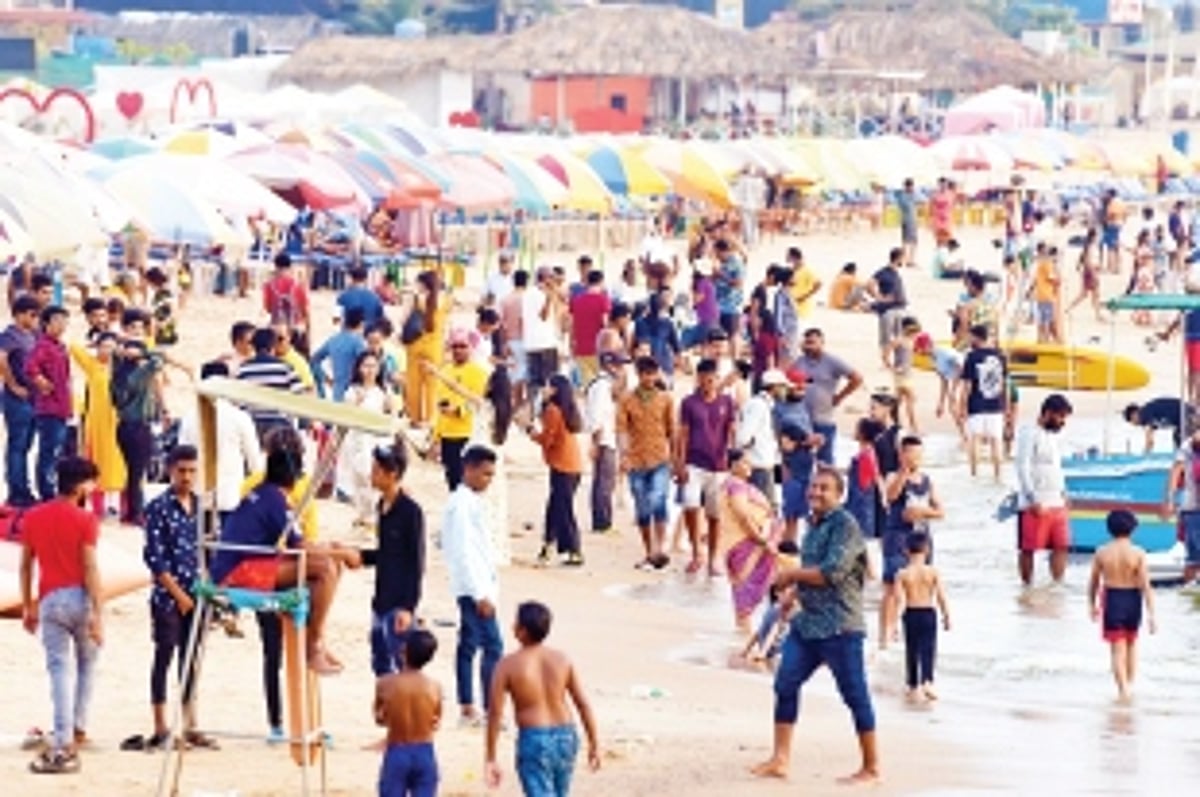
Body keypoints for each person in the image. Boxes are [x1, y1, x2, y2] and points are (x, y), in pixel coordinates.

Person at [753, 467, 877, 784]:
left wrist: (791, 576)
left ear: (839, 495)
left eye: (824, 488)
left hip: (841, 626)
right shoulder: (812, 526)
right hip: (807, 625)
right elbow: (812, 571)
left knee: (855, 696)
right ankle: (780, 759)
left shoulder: (846, 525)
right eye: (813, 487)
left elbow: (831, 573)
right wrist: (792, 594)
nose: (816, 492)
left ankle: (872, 767)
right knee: (785, 684)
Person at [211, 447, 359, 676]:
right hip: (238, 573)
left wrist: (335, 550)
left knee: (331, 559)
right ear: (294, 478)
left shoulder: (264, 493)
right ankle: (313, 645)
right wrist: (342, 553)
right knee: (326, 567)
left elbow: (293, 544)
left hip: (248, 562)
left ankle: (318, 640)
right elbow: (300, 546)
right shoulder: (275, 500)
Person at [19, 457, 103, 775]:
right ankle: (78, 728)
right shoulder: (86, 520)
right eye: (91, 483)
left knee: (58, 669)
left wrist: (28, 606)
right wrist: (99, 613)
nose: (93, 489)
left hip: (50, 599)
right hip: (79, 596)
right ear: (81, 485)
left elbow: (27, 564)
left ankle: (63, 735)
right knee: (87, 664)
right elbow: (90, 567)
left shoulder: (34, 516)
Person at [140, 445, 216, 750]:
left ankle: (190, 722)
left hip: (196, 593)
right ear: (170, 470)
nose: (187, 477)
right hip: (168, 596)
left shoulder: (200, 507)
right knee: (164, 656)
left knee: (190, 660)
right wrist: (179, 595)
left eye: (191, 471)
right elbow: (155, 559)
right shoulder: (158, 507)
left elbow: (208, 551)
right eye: (181, 470)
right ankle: (160, 725)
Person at [485, 601, 600, 796]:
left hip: (534, 738)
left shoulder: (507, 665)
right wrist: (594, 743)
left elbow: (495, 713)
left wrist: (490, 756)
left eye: (516, 622)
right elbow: (583, 704)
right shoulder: (562, 659)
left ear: (522, 631)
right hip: (566, 734)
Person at [441, 445, 503, 725]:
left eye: (491, 475)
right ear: (469, 469)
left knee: (468, 645)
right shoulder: (462, 505)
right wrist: (480, 593)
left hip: (475, 585)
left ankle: (468, 706)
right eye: (485, 474)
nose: (488, 480)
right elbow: (463, 551)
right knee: (493, 646)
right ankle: (488, 708)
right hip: (473, 589)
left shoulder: (467, 502)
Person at [361, 444, 426, 677]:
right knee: (380, 664)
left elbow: (417, 562)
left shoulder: (411, 512)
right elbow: (385, 553)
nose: (372, 475)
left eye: (377, 470)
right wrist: (358, 556)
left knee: (403, 665)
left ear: (393, 474)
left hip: (399, 603)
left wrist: (409, 607)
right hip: (381, 598)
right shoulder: (382, 507)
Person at [177, 361, 263, 520]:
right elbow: (255, 464)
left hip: (198, 497)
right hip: (232, 498)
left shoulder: (189, 418)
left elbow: (181, 459)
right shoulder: (240, 417)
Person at [676, 358, 737, 576]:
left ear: (716, 378)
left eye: (711, 379)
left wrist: (734, 460)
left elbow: (731, 431)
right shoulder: (689, 403)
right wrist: (679, 463)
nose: (707, 383)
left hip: (718, 465)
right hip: (694, 461)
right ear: (698, 379)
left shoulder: (727, 402)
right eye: (703, 379)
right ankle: (696, 553)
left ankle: (713, 558)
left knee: (715, 514)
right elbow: (683, 434)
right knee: (691, 505)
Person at [1087, 510, 1157, 702]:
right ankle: (1130, 687)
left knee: (1117, 648)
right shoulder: (1138, 553)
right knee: (1132, 644)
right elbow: (1146, 586)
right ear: (1133, 529)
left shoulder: (1102, 552)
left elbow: (1093, 582)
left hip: (1112, 598)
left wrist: (1091, 605)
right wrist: (1152, 614)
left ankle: (1123, 690)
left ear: (1109, 529)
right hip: (1133, 599)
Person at [880, 436, 942, 647]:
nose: (915, 459)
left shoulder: (927, 480)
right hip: (897, 536)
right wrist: (903, 474)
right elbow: (890, 496)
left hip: (921, 539)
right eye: (911, 454)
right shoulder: (892, 476)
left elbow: (941, 511)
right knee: (891, 588)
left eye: (918, 454)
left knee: (920, 587)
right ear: (901, 454)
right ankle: (885, 637)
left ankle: (914, 637)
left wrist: (924, 512)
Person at [618, 356, 675, 570]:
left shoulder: (666, 399)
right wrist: (624, 455)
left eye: (652, 374)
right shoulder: (627, 400)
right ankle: (649, 550)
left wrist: (677, 459)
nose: (649, 378)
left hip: (660, 458)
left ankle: (659, 549)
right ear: (638, 374)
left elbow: (673, 431)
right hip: (636, 460)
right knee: (642, 508)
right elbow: (622, 430)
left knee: (658, 500)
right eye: (645, 374)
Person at [526, 374, 585, 567]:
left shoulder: (552, 410)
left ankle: (573, 549)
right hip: (573, 464)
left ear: (555, 390)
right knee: (557, 506)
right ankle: (549, 546)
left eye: (548, 387)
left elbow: (547, 440)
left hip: (562, 465)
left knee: (562, 509)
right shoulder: (568, 410)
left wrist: (531, 433)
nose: (545, 390)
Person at [1015, 393, 1073, 586]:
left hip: (1056, 500)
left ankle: (1057, 585)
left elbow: (1057, 467)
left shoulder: (1054, 437)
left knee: (1061, 546)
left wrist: (1064, 493)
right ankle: (1027, 585)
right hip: (1035, 501)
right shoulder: (1028, 433)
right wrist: (1032, 499)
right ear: (1047, 413)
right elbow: (1022, 467)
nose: (1062, 422)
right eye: (1060, 417)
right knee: (1029, 548)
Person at [722, 449, 783, 632]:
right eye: (745, 462)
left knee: (745, 586)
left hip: (747, 541)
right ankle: (744, 629)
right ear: (734, 465)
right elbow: (743, 515)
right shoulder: (736, 486)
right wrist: (761, 539)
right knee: (746, 584)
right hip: (746, 541)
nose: (750, 466)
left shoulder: (735, 485)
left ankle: (742, 629)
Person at [375, 630, 442, 797]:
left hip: (397, 748)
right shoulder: (435, 686)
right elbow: (435, 721)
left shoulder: (385, 683)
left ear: (404, 651)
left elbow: (379, 719)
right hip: (425, 750)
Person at [70, 332, 126, 516]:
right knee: (95, 464)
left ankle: (121, 507)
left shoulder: (122, 369)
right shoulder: (93, 366)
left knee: (118, 465)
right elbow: (74, 348)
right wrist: (92, 344)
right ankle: (97, 507)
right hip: (96, 425)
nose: (108, 350)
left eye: (112, 347)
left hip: (117, 424)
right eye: (104, 346)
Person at [110, 339, 165, 525]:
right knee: (137, 473)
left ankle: (130, 511)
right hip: (139, 427)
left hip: (123, 426)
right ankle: (136, 512)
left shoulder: (117, 374)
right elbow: (159, 359)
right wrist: (145, 354)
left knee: (131, 472)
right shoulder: (139, 374)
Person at [428, 329, 490, 491]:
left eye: (463, 346)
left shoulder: (479, 374)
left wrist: (458, 411)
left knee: (469, 483)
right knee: (453, 481)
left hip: (468, 434)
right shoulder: (445, 371)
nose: (458, 350)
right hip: (447, 435)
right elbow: (439, 407)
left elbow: (479, 403)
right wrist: (436, 438)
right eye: (454, 346)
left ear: (471, 348)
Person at [340, 351, 396, 530]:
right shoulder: (353, 391)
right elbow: (346, 415)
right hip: (358, 439)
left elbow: (391, 415)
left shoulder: (383, 391)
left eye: (373, 366)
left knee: (374, 477)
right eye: (366, 366)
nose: (370, 370)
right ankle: (364, 514)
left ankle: (373, 515)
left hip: (377, 440)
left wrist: (391, 407)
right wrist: (357, 402)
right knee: (359, 478)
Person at [895, 533, 950, 702]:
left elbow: (900, 601)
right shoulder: (932, 572)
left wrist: (896, 623)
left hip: (911, 613)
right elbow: (941, 596)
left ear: (906, 551)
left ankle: (913, 685)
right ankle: (928, 681)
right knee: (929, 648)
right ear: (927, 550)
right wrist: (947, 615)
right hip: (928, 612)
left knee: (911, 650)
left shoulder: (902, 574)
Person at [794, 328, 861, 465]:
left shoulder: (832, 361)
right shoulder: (800, 361)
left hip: (823, 419)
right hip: (803, 419)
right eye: (806, 342)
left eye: (812, 342)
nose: (809, 346)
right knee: (801, 459)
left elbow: (857, 378)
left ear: (822, 342)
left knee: (824, 460)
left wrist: (840, 397)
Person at [26, 305, 72, 501]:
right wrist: (43, 384)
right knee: (48, 452)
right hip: (49, 408)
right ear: (46, 324)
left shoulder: (60, 346)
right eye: (57, 321)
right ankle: (46, 493)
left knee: (55, 452)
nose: (61, 325)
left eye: (64, 321)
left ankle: (51, 490)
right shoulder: (42, 345)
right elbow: (30, 367)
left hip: (62, 407)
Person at [0, 294, 41, 506]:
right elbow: (1, 357)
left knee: (25, 445)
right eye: (32, 315)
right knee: (17, 445)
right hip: (17, 398)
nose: (36, 319)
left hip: (33, 397)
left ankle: (24, 488)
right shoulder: (10, 335)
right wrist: (13, 384)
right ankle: (16, 491)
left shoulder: (32, 334)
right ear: (20, 314)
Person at [958, 324, 1007, 481]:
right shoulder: (1000, 356)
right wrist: (1005, 405)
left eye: (971, 336)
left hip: (977, 403)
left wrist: (962, 406)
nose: (969, 339)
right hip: (996, 403)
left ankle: (974, 474)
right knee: (996, 441)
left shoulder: (972, 356)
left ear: (976, 338)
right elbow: (1004, 382)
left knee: (975, 439)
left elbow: (967, 385)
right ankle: (998, 475)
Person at [585, 351, 625, 534]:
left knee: (603, 481)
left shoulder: (605, 386)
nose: (622, 369)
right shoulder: (601, 387)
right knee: (604, 481)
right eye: (619, 365)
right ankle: (602, 522)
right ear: (609, 366)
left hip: (606, 438)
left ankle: (602, 520)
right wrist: (596, 442)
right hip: (603, 439)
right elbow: (597, 417)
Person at [736, 369, 789, 502]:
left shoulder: (764, 404)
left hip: (764, 468)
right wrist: (756, 444)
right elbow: (743, 438)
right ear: (774, 387)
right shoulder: (758, 405)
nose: (785, 391)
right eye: (783, 387)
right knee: (762, 513)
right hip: (758, 469)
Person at [403, 271, 448, 426]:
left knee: (414, 383)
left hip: (415, 346)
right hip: (435, 347)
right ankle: (430, 418)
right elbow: (446, 326)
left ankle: (414, 417)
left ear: (423, 284)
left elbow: (404, 319)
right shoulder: (446, 300)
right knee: (432, 385)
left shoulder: (416, 299)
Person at [523, 267, 564, 402]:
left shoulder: (529, 293)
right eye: (551, 278)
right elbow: (543, 316)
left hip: (532, 344)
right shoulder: (540, 294)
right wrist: (549, 298)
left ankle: (533, 410)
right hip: (545, 344)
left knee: (534, 381)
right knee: (549, 381)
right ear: (545, 278)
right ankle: (543, 410)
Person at [312, 307, 368, 402]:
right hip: (354, 390)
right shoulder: (359, 342)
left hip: (337, 390)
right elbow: (364, 363)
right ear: (361, 324)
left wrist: (325, 378)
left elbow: (314, 361)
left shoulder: (333, 340)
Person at [867, 248, 909, 368]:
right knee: (888, 338)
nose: (905, 261)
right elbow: (869, 284)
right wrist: (878, 297)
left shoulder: (894, 273)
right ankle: (886, 362)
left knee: (899, 336)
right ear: (899, 258)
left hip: (899, 308)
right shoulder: (884, 272)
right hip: (888, 310)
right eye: (904, 258)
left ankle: (898, 362)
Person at [569, 269, 612, 384]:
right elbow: (605, 324)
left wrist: (571, 344)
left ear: (587, 282)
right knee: (600, 384)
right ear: (602, 282)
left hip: (581, 348)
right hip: (598, 349)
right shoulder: (603, 300)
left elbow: (572, 325)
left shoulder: (577, 301)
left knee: (586, 385)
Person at [262, 253, 310, 354]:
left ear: (275, 266)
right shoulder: (298, 285)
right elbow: (305, 310)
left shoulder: (269, 285)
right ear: (290, 266)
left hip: (276, 328)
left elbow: (268, 308)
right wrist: (308, 331)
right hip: (295, 328)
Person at [885, 316, 921, 433]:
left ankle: (895, 425)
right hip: (901, 374)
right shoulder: (899, 340)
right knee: (911, 399)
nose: (915, 333)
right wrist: (891, 367)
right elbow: (885, 354)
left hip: (907, 374)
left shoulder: (911, 341)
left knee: (899, 401)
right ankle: (914, 428)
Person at [1124, 396, 1193, 453]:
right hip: (1184, 417)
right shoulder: (1149, 415)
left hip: (1187, 413)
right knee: (1179, 438)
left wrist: (1144, 455)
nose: (1134, 424)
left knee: (1180, 438)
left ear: (1134, 414)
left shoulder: (1145, 413)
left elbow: (1149, 440)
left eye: (1132, 421)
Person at [897, 178, 918, 266]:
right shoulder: (910, 196)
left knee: (904, 241)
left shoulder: (902, 196)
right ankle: (910, 260)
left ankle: (902, 260)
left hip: (904, 220)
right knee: (913, 241)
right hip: (910, 220)